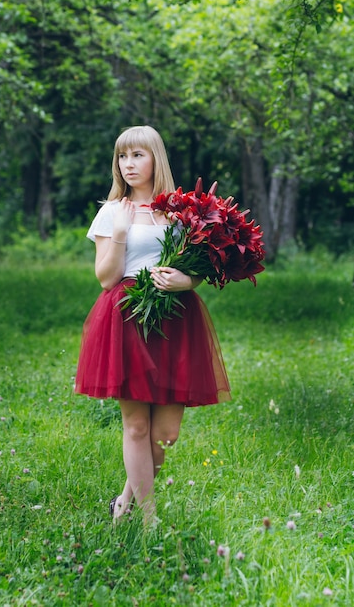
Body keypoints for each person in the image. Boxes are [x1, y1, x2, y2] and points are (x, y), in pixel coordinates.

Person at [75, 125, 231, 526]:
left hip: (176, 318)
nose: (129, 165)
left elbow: (198, 267)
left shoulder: (182, 212)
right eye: (122, 157)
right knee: (136, 424)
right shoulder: (112, 212)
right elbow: (106, 278)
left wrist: (187, 281)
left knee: (165, 435)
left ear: (155, 158)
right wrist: (122, 234)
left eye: (137, 155)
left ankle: (123, 501)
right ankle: (148, 520)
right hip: (127, 315)